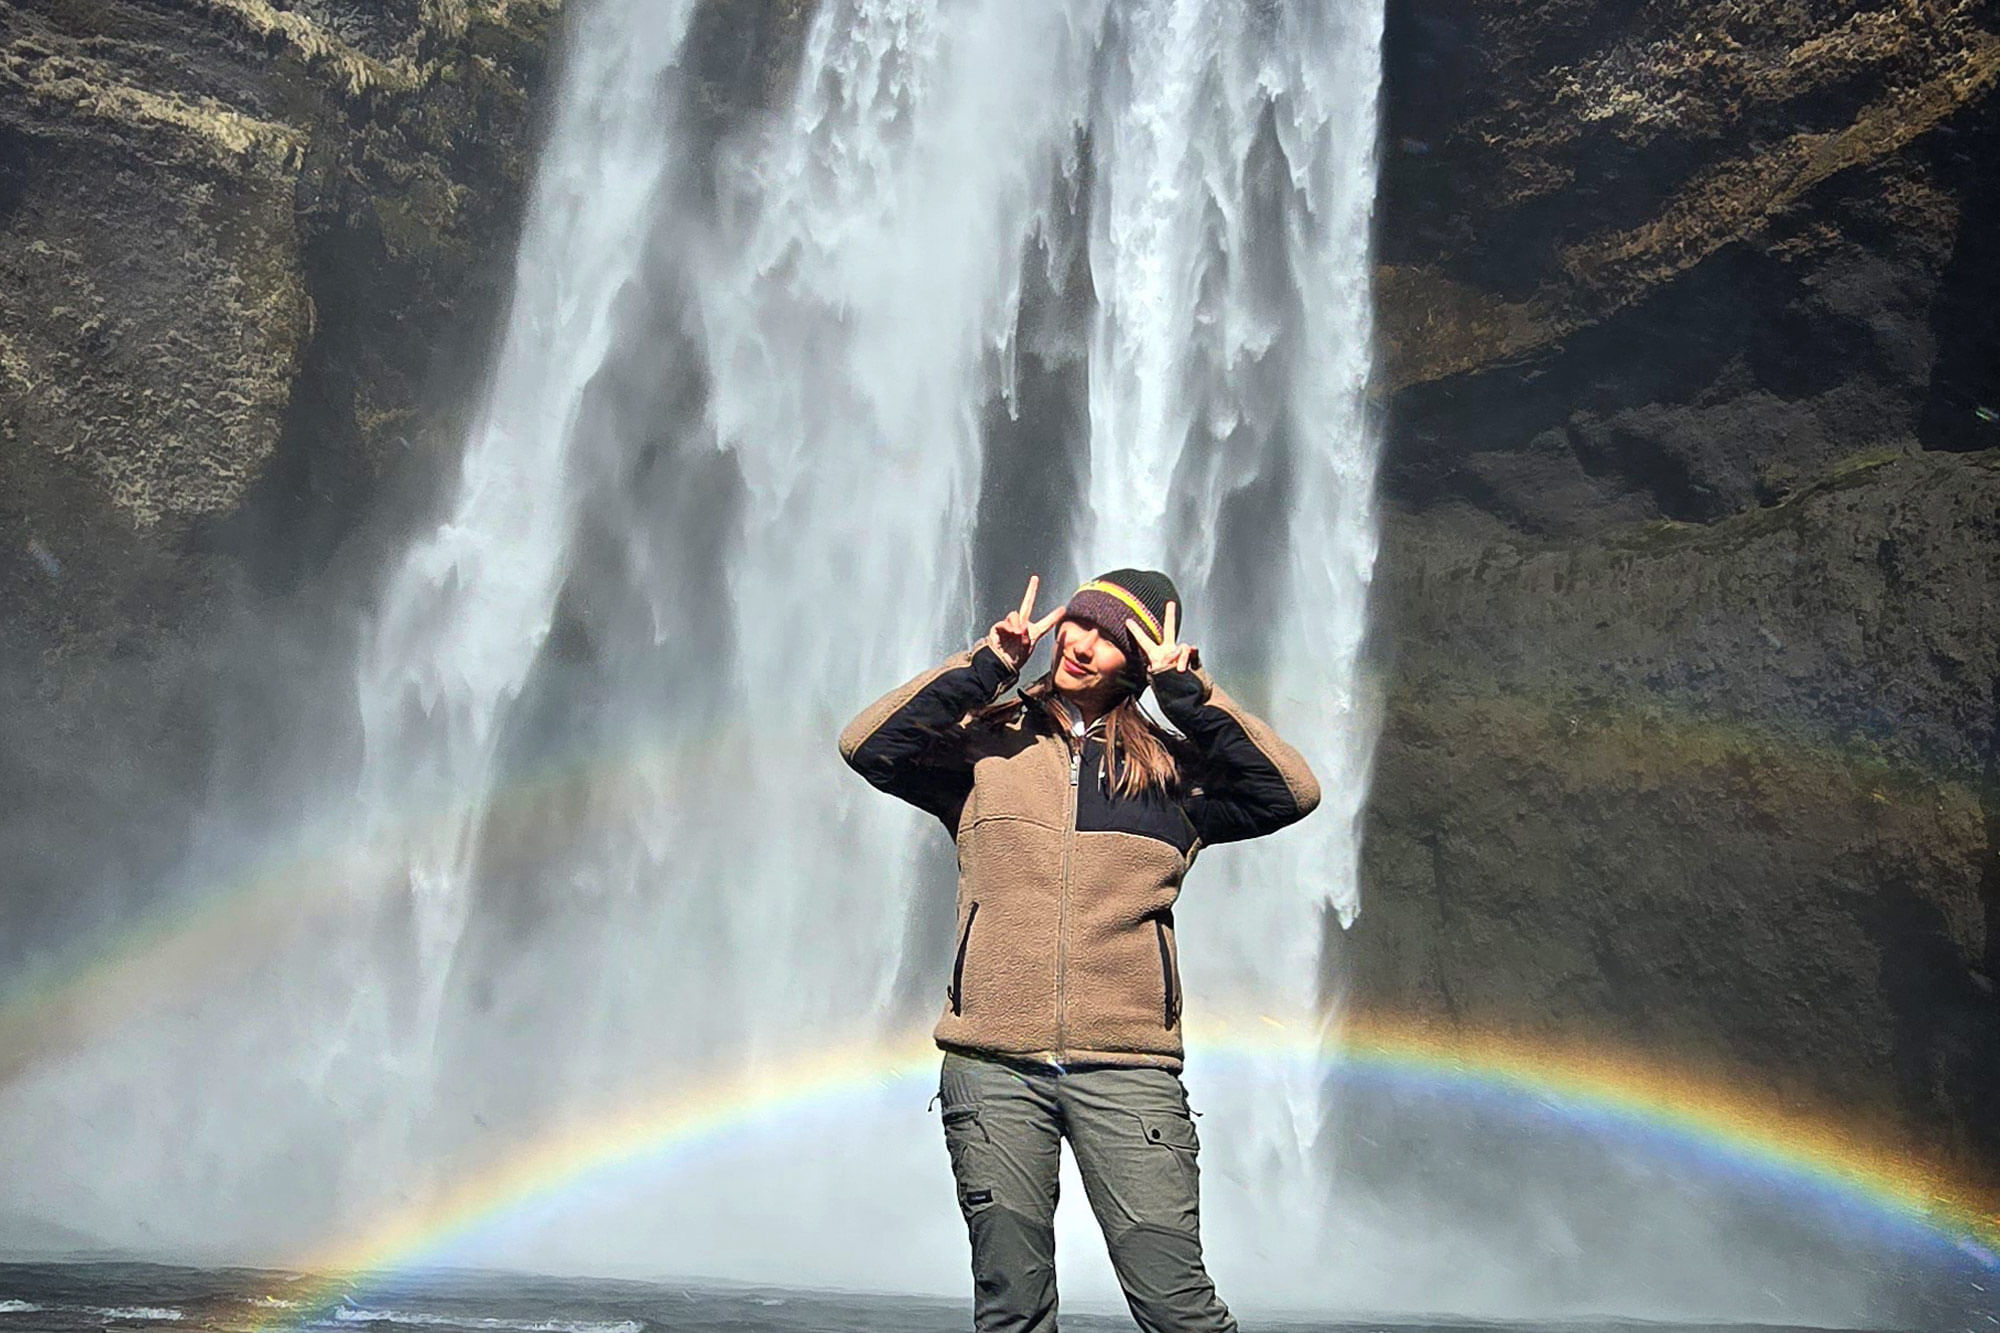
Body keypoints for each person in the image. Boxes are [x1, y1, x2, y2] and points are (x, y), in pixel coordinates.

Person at [838, 568, 1320, 1333]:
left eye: (1111, 637)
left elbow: (1291, 791)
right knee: (1012, 1313)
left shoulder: (1173, 776)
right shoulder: (982, 750)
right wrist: (987, 666)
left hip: (1128, 1068)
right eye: (1080, 623)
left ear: (1136, 661)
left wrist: (1191, 695)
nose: (1084, 645)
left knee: (1177, 1306)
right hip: (991, 1065)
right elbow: (866, 745)